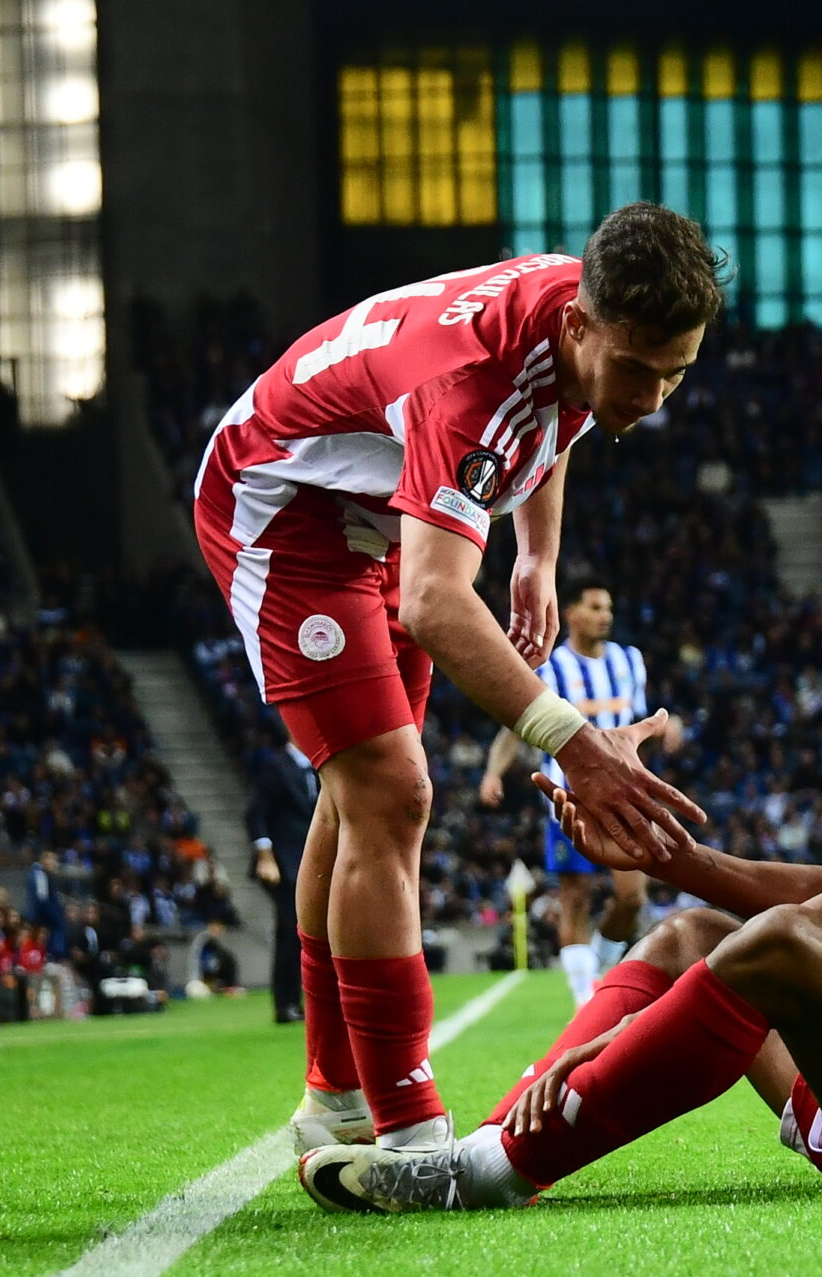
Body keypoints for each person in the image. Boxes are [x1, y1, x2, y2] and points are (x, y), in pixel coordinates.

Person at [299, 506, 822, 1211]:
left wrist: (614, 1041)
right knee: (691, 936)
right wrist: (673, 857)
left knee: (776, 943)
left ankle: (483, 1173)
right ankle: (493, 1142)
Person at [192, 202, 725, 1156]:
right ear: (581, 323)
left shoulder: (580, 311)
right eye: (638, 369)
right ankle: (406, 1125)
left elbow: (557, 414)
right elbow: (437, 602)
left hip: (378, 507)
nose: (652, 397)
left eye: (675, 373)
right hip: (283, 505)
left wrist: (538, 556)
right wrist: (575, 744)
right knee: (392, 791)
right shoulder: (474, 385)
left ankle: (336, 1097)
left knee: (362, 800)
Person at [479, 580, 683, 1007]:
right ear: (570, 613)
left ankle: (600, 968)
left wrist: (668, 725)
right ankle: (582, 1002)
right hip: (567, 799)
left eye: (608, 607)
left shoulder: (629, 661)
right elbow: (512, 730)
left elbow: (638, 719)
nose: (605, 615)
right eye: (595, 607)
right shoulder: (550, 669)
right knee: (576, 897)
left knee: (632, 898)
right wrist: (493, 773)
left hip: (624, 794)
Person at [249, 724, 319, 1023]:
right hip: (284, 864)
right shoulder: (276, 768)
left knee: (308, 933)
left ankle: (305, 1000)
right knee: (291, 932)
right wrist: (265, 856)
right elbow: (256, 813)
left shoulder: (317, 769)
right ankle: (285, 1003)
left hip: (311, 863)